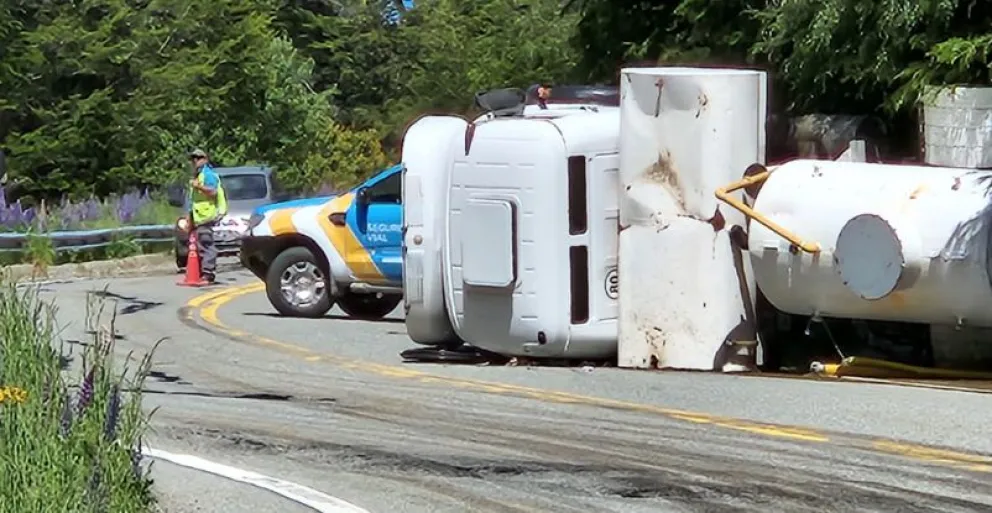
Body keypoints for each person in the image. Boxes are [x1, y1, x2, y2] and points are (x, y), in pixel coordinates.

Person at [186, 148, 227, 283]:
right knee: (200, 244)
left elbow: (213, 192)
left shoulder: (208, 174)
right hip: (199, 216)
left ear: (205, 159)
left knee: (206, 244)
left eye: (198, 158)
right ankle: (202, 272)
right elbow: (194, 200)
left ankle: (208, 274)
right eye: (193, 159)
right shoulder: (197, 175)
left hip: (207, 215)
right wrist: (190, 216)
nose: (195, 161)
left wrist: (199, 187)